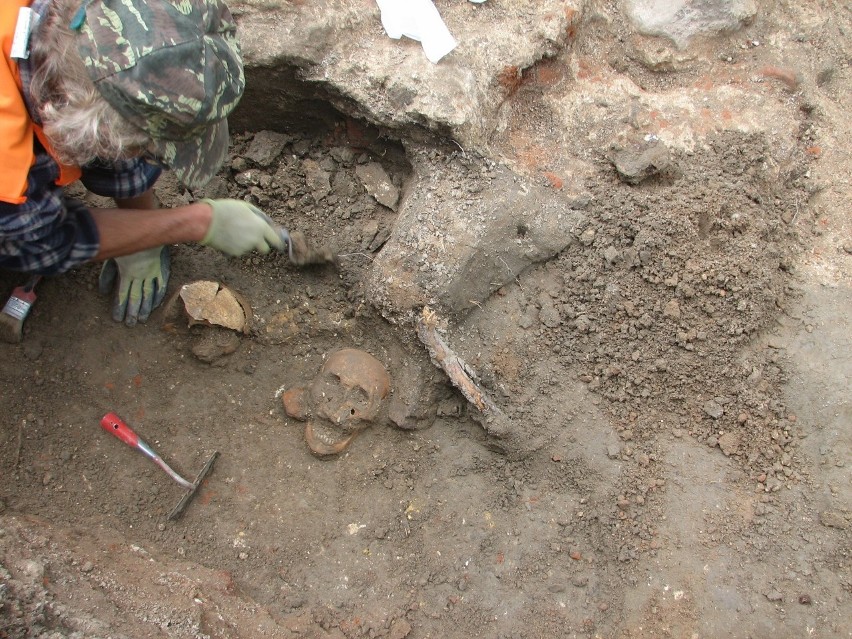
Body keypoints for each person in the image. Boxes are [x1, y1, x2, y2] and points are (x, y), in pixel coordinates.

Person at [0, 0, 285, 326]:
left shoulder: (95, 23)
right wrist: (197, 222)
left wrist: (142, 232)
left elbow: (120, 74)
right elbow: (47, 243)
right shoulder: (7, 179)